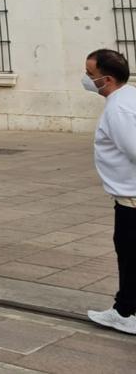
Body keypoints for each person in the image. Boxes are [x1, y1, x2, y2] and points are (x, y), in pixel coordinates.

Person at [82, 49, 136, 335]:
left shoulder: (118, 108)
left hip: (131, 200)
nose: (87, 79)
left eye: (90, 75)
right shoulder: (130, 96)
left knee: (129, 257)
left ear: (107, 79)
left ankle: (126, 313)